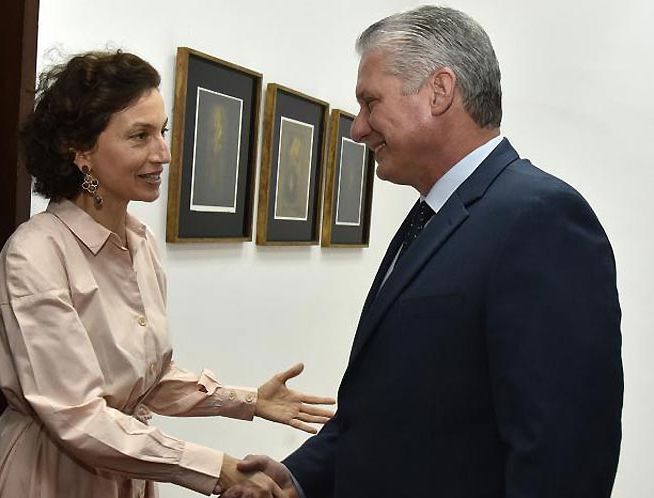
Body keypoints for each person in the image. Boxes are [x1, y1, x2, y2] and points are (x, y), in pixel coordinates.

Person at [224, 5, 623, 498]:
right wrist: (301, 476)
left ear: (439, 91)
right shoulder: (430, 214)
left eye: (371, 103)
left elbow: (565, 455)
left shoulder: (540, 220)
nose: (358, 128)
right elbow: (383, 410)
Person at [0, 50, 335, 498]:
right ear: (80, 151)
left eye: (161, 132)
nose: (163, 153)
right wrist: (217, 468)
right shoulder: (35, 254)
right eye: (140, 136)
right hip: (49, 478)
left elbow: (149, 380)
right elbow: (78, 416)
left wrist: (248, 401)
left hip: (125, 472)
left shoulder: (139, 241)